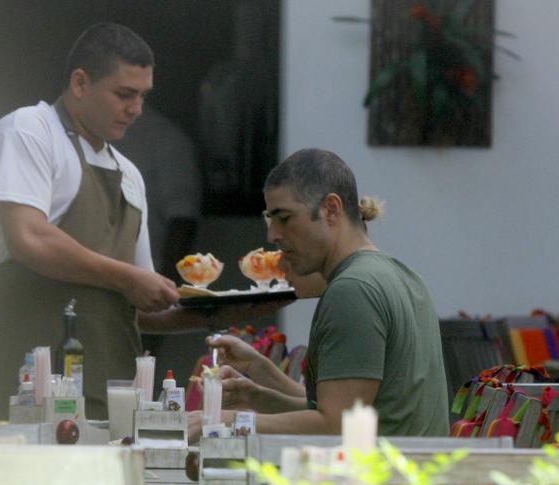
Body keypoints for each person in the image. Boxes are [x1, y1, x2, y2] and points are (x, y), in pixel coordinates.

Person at [0, 22, 279, 419]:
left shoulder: (129, 176)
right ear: (81, 83)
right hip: (27, 391)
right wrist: (128, 278)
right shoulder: (29, 131)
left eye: (142, 96)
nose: (136, 109)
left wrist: (220, 312)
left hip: (110, 391)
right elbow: (29, 237)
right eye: (124, 94)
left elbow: (136, 307)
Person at [191, 148, 449, 439]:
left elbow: (335, 427)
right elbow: (338, 411)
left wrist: (220, 420)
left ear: (331, 209)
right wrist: (256, 394)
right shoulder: (400, 275)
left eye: (284, 218)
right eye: (269, 220)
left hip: (380, 483)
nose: (272, 235)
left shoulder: (352, 290)